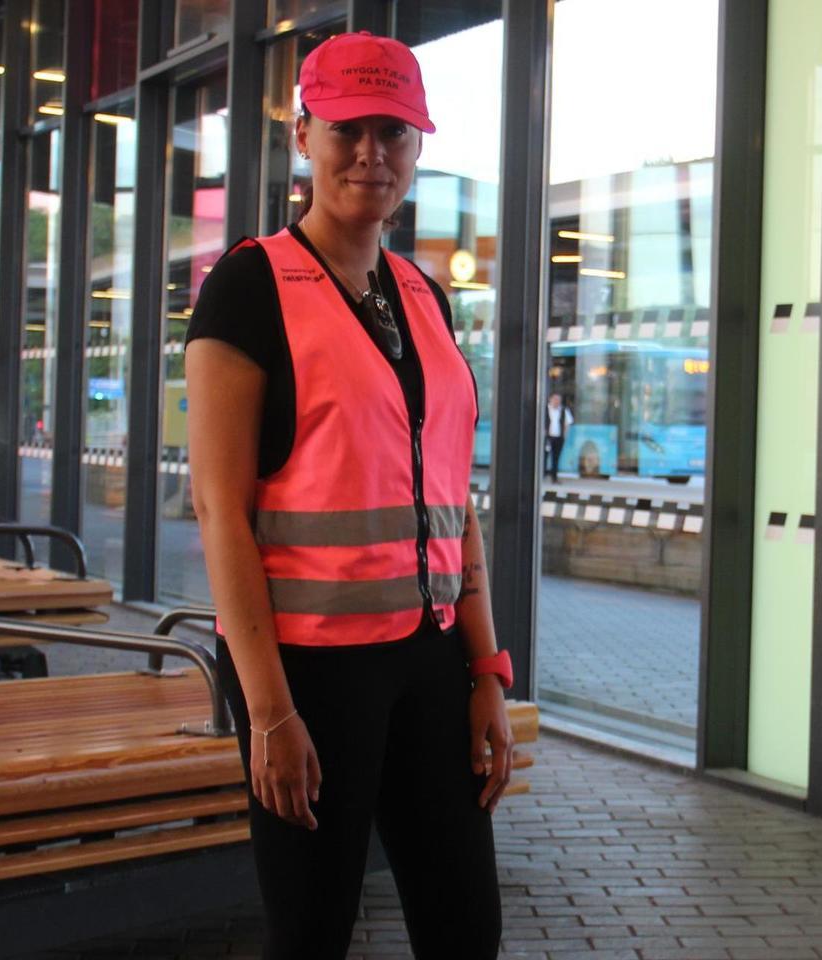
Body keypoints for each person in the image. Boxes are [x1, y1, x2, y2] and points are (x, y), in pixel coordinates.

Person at [184, 31, 511, 960]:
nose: (372, 152)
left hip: (430, 665)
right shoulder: (248, 289)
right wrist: (270, 712)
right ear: (303, 136)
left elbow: (455, 500)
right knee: (312, 934)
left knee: (465, 931)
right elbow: (221, 512)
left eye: (395, 131)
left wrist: (486, 671)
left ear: (418, 146)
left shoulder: (423, 295)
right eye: (348, 129)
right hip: (311, 678)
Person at [544, 392, 573, 483]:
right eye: (555, 399)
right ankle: (542, 475)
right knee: (543, 456)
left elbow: (567, 424)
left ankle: (554, 477)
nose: (557, 401)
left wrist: (564, 435)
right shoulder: (545, 409)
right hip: (547, 437)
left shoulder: (564, 410)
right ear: (550, 399)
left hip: (558, 437)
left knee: (555, 458)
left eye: (558, 400)